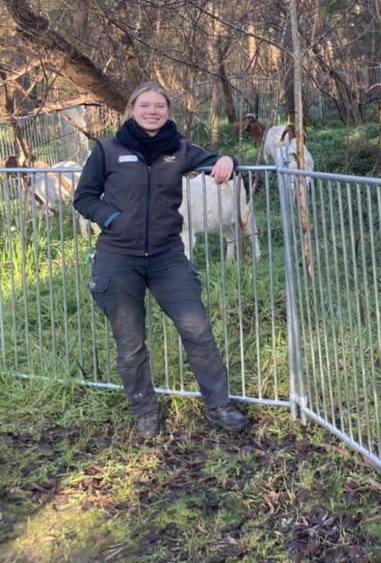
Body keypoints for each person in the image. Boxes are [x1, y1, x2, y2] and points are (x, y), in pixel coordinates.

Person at [73, 81, 250, 438]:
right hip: (118, 259)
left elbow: (217, 163)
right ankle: (145, 412)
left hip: (168, 258)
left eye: (159, 106)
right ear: (132, 109)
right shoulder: (108, 150)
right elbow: (85, 198)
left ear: (168, 111)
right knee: (131, 344)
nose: (152, 112)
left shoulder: (179, 150)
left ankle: (219, 407)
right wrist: (112, 219)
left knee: (198, 332)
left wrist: (229, 160)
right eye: (145, 106)